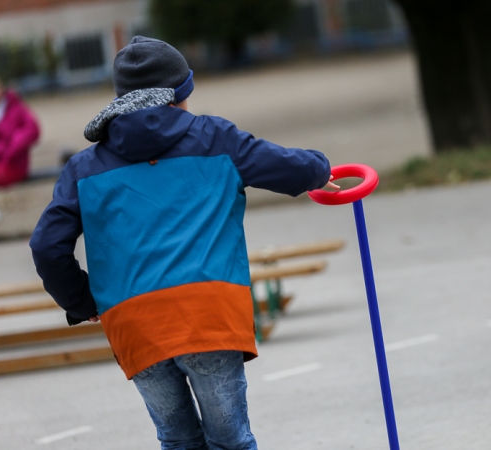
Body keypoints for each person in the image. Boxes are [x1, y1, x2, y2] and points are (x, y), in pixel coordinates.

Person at [29, 36, 338, 449]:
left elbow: (46, 246)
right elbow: (290, 168)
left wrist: (83, 301)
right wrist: (319, 169)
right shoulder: (214, 138)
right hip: (207, 310)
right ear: (179, 95)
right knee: (230, 439)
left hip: (134, 322)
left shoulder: (83, 168)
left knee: (177, 441)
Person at [0, 74, 40, 245]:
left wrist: (10, 147)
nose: (0, 90)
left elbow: (33, 130)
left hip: (14, 164)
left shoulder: (14, 105)